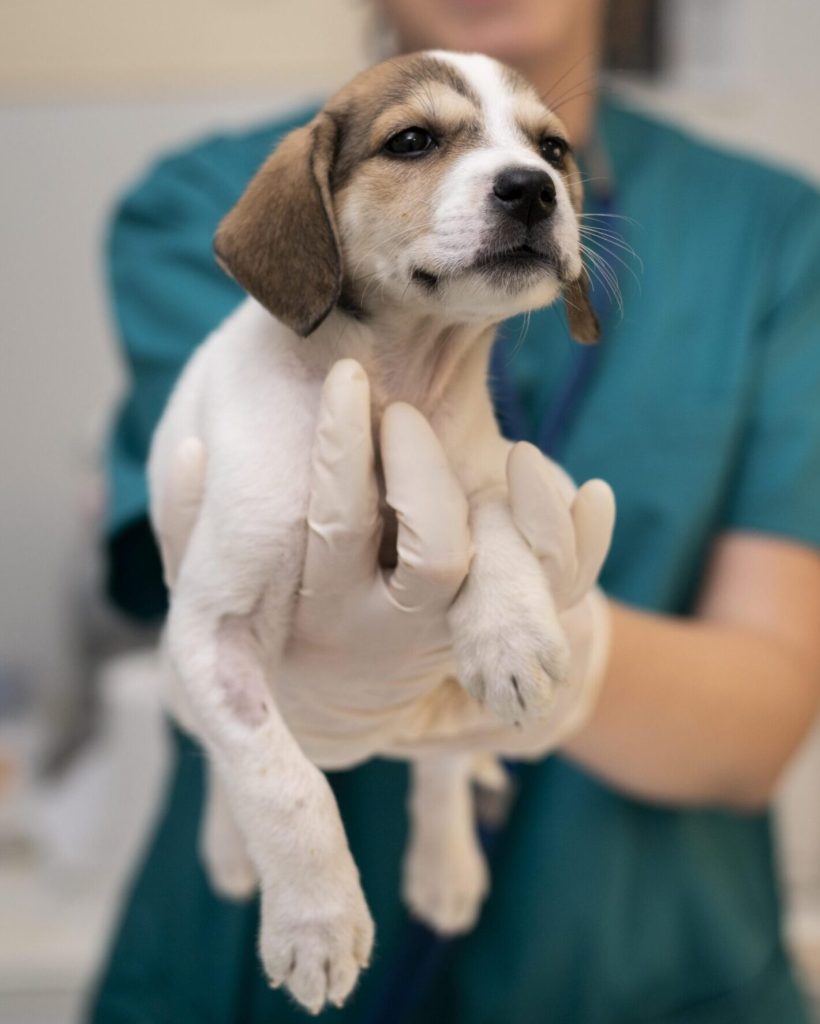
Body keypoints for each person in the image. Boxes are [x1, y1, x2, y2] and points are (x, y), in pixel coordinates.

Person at [90, 1, 820, 1021]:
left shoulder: (774, 232)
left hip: (638, 963)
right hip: (247, 965)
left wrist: (572, 657)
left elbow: (769, 715)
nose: (519, 177)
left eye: (545, 151)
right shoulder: (202, 199)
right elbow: (207, 619)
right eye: (417, 141)